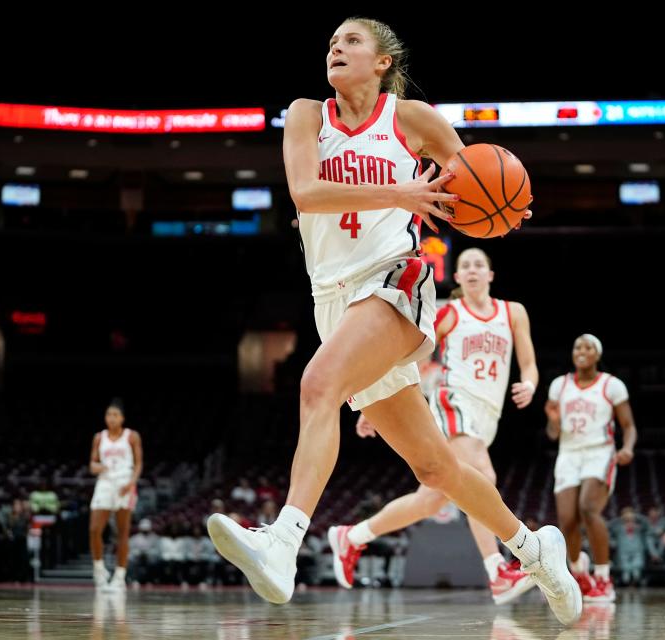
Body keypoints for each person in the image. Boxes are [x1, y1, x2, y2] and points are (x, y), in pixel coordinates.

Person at [206, 16, 581, 626]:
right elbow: (305, 192)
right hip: (334, 300)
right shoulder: (307, 115)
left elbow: (473, 188)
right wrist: (401, 195)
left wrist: (504, 209)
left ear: (383, 61)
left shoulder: (413, 120)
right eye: (331, 42)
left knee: (316, 385)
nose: (336, 48)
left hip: (397, 279)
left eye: (350, 41)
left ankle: (284, 542)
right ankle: (535, 551)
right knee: (436, 468)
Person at [329, 247, 540, 604]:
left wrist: (530, 385)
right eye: (465, 266)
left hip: (488, 415)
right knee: (482, 476)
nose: (472, 270)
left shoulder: (513, 312)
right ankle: (496, 571)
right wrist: (377, 401)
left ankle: (352, 537)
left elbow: (529, 363)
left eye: (479, 265)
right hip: (453, 402)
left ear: (491, 274)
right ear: (456, 278)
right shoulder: (449, 313)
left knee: (430, 499)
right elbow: (409, 354)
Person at [545, 334, 638, 602]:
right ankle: (579, 573)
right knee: (567, 519)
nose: (581, 351)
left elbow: (628, 425)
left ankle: (603, 578)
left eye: (588, 347)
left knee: (588, 507)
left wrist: (628, 448)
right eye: (577, 347)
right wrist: (553, 421)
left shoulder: (612, 385)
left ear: (597, 354)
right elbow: (553, 434)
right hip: (569, 453)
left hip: (600, 452)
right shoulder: (559, 386)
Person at [89, 399, 143, 591]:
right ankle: (99, 569)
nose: (111, 418)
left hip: (124, 482)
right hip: (105, 482)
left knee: (122, 532)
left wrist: (131, 483)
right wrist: (99, 466)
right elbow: (92, 464)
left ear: (122, 418)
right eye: (108, 415)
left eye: (115, 415)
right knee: (95, 529)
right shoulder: (99, 437)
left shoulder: (131, 436)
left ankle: (120, 576)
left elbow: (138, 464)